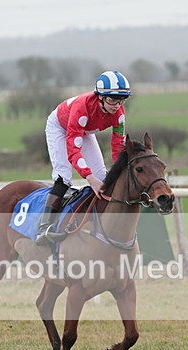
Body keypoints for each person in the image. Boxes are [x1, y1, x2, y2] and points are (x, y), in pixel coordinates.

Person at [35, 70, 130, 245]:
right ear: (100, 97)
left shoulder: (119, 114)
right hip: (60, 127)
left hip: (83, 129)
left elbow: (118, 147)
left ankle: (101, 228)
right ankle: (44, 227)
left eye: (121, 99)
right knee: (64, 176)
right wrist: (89, 177)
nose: (117, 105)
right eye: (111, 99)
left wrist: (119, 171)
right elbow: (73, 150)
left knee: (103, 177)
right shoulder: (83, 107)